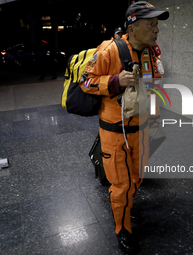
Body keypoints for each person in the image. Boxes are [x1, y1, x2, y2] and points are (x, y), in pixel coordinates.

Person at [80, 1, 169, 254]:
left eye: (157, 25)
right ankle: (123, 229)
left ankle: (126, 202)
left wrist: (155, 118)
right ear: (132, 25)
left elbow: (152, 87)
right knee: (121, 186)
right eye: (150, 24)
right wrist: (116, 80)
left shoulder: (152, 53)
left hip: (141, 132)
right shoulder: (109, 50)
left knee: (136, 178)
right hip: (114, 134)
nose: (156, 30)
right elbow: (86, 81)